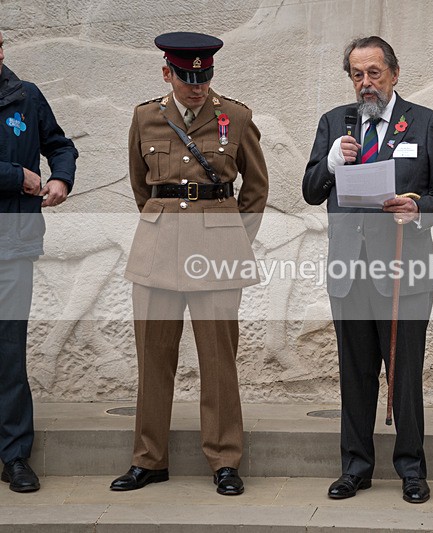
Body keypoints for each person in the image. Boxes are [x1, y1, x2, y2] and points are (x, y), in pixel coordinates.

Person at [110, 32, 268, 496]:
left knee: (218, 360)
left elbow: (256, 191)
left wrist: (230, 240)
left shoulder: (235, 117)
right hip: (157, 253)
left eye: (204, 77)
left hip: (216, 255)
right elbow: (143, 189)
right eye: (187, 78)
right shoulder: (145, 118)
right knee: (153, 360)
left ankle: (224, 460)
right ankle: (148, 459)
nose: (196, 86)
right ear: (167, 73)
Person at [303, 36, 433, 503]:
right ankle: (355, 468)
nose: (365, 83)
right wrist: (331, 162)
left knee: (405, 375)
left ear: (393, 73)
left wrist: (417, 211)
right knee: (354, 374)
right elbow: (312, 190)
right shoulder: (335, 123)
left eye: (373, 72)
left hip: (402, 271)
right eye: (357, 74)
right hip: (348, 273)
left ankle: (411, 468)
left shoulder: (425, 123)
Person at [0, 31, 78, 493]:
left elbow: (60, 144)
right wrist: (18, 177)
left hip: (15, 245)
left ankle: (15, 456)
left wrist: (60, 178)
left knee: (10, 353)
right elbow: (17, 175)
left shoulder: (26, 97)